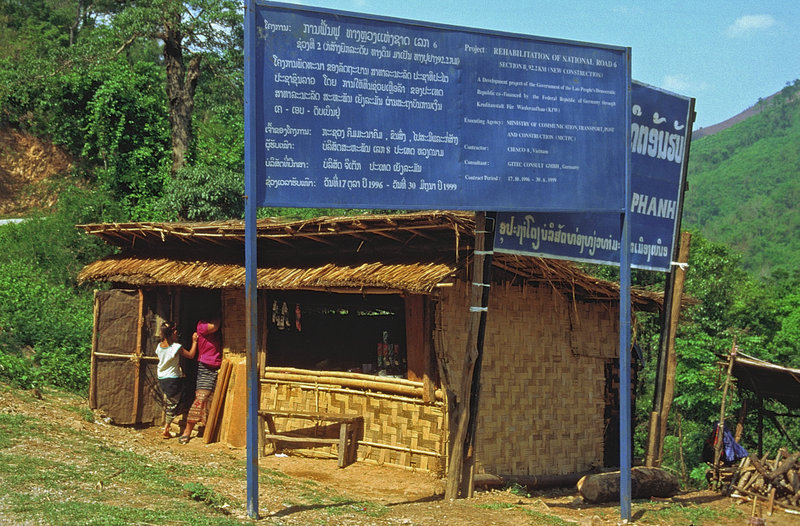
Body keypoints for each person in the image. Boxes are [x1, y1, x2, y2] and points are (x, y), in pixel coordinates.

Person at [178, 317, 222, 444]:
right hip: (206, 366)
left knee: (212, 400)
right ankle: (187, 431)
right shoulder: (201, 326)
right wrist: (221, 313)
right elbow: (214, 326)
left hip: (218, 366)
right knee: (200, 398)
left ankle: (208, 430)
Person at [155, 321, 198, 439]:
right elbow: (191, 355)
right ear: (173, 333)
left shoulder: (159, 346)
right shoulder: (176, 347)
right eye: (176, 332)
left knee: (175, 399)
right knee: (173, 404)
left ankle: (170, 423)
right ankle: (167, 428)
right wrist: (194, 342)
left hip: (162, 378)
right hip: (172, 379)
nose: (177, 334)